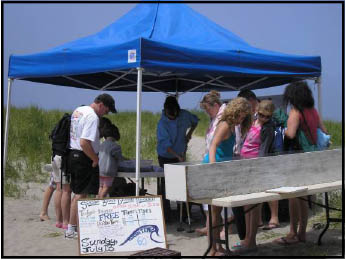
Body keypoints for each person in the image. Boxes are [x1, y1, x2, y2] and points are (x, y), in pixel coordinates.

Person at [274, 81, 327, 245]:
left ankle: (295, 233)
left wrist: (282, 126)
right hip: (312, 156)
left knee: (295, 198)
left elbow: (290, 134)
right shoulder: (313, 111)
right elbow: (324, 132)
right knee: (302, 197)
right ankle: (300, 233)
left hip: (298, 158)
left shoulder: (296, 112)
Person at [204, 97, 252, 256]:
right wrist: (213, 169)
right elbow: (213, 146)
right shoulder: (224, 125)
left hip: (222, 168)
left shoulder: (232, 126)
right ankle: (213, 249)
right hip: (214, 167)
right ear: (235, 112)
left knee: (219, 212)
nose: (242, 119)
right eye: (241, 115)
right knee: (214, 212)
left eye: (244, 117)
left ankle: (219, 247)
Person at [65, 93, 117, 239]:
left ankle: (74, 226)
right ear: (101, 105)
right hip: (84, 157)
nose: (105, 114)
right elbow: (84, 142)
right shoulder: (93, 117)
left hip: (73, 154)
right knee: (81, 194)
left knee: (79, 192)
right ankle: (72, 229)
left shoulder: (79, 110)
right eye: (106, 111)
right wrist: (95, 159)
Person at [232, 100, 275, 254]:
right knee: (246, 205)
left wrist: (259, 168)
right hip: (244, 165)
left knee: (254, 205)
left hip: (256, 167)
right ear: (257, 110)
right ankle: (247, 239)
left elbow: (263, 150)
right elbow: (243, 142)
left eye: (267, 117)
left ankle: (252, 240)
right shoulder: (252, 121)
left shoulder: (268, 128)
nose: (263, 118)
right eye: (261, 115)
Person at [196, 90, 233, 239]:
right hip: (212, 161)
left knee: (221, 201)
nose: (206, 112)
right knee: (209, 203)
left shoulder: (224, 119)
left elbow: (216, 145)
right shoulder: (215, 119)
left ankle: (225, 228)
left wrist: (212, 167)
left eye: (208, 109)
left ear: (216, 105)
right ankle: (210, 228)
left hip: (219, 163)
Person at [156, 95, 199, 221]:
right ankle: (166, 214)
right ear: (165, 111)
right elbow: (165, 145)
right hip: (166, 157)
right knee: (166, 185)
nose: (173, 118)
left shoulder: (185, 114)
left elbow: (195, 121)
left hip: (180, 154)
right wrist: (177, 156)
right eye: (171, 117)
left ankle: (185, 214)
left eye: (175, 116)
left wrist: (189, 134)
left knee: (183, 184)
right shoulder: (162, 124)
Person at [98, 124, 122, 198]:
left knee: (101, 186)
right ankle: (100, 201)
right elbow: (119, 158)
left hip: (99, 169)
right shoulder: (116, 146)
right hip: (109, 171)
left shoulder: (101, 145)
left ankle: (96, 200)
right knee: (106, 187)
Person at [51, 152, 72, 230]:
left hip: (54, 155)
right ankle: (65, 221)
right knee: (66, 190)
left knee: (58, 189)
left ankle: (58, 221)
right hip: (64, 157)